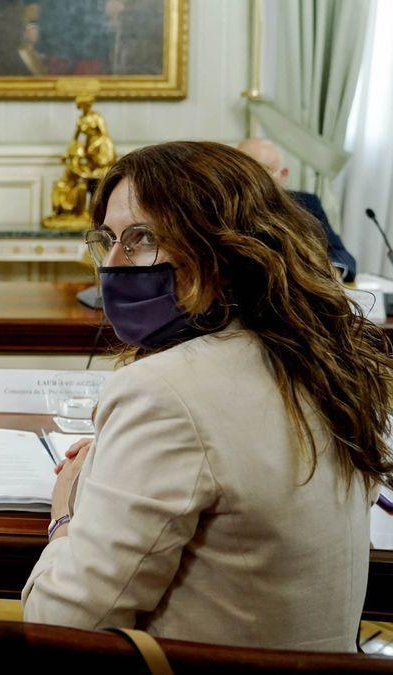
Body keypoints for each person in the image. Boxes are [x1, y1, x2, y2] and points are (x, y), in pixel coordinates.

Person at [23, 141, 391, 651]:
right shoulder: (330, 362)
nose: (112, 264)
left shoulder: (162, 391)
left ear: (224, 247)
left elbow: (58, 625)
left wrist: (66, 513)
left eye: (143, 238)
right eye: (107, 239)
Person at [237, 138, 356, 281]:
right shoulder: (226, 208)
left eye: (263, 171)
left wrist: (332, 271)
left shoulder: (307, 204)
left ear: (284, 174)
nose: (252, 180)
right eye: (243, 171)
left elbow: (341, 254)